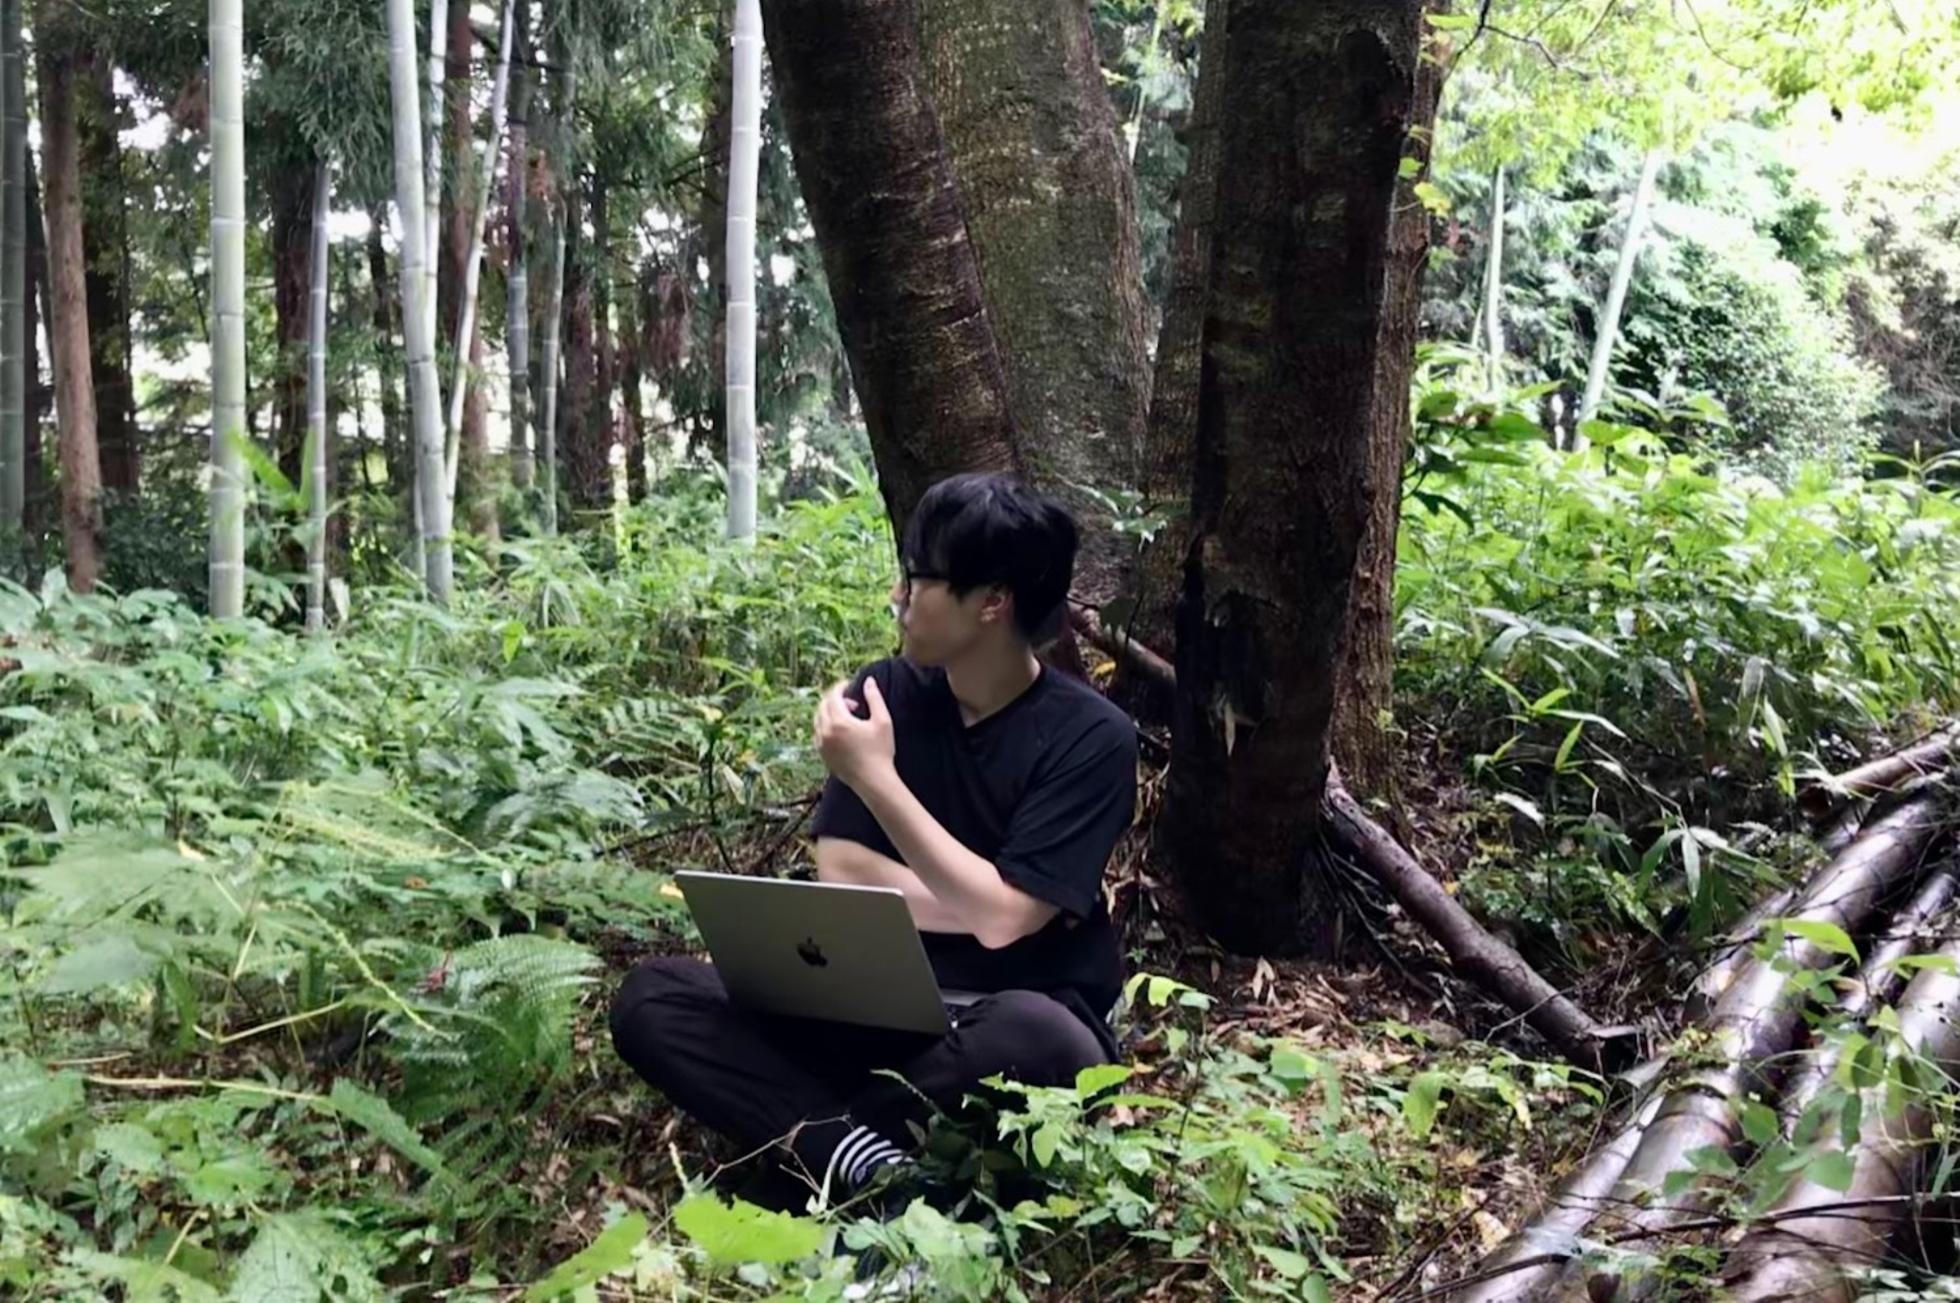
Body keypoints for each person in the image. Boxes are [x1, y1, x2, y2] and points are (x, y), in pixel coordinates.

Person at [609, 473, 1139, 1207]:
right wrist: (987, 897)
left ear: (992, 601)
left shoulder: (1092, 737)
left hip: (1004, 1022)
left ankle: (809, 1153)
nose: (899, 595)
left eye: (919, 579)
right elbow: (844, 871)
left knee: (1040, 1039)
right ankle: (870, 1163)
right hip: (871, 1007)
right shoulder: (888, 691)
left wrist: (874, 777)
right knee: (652, 997)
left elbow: (1003, 921)